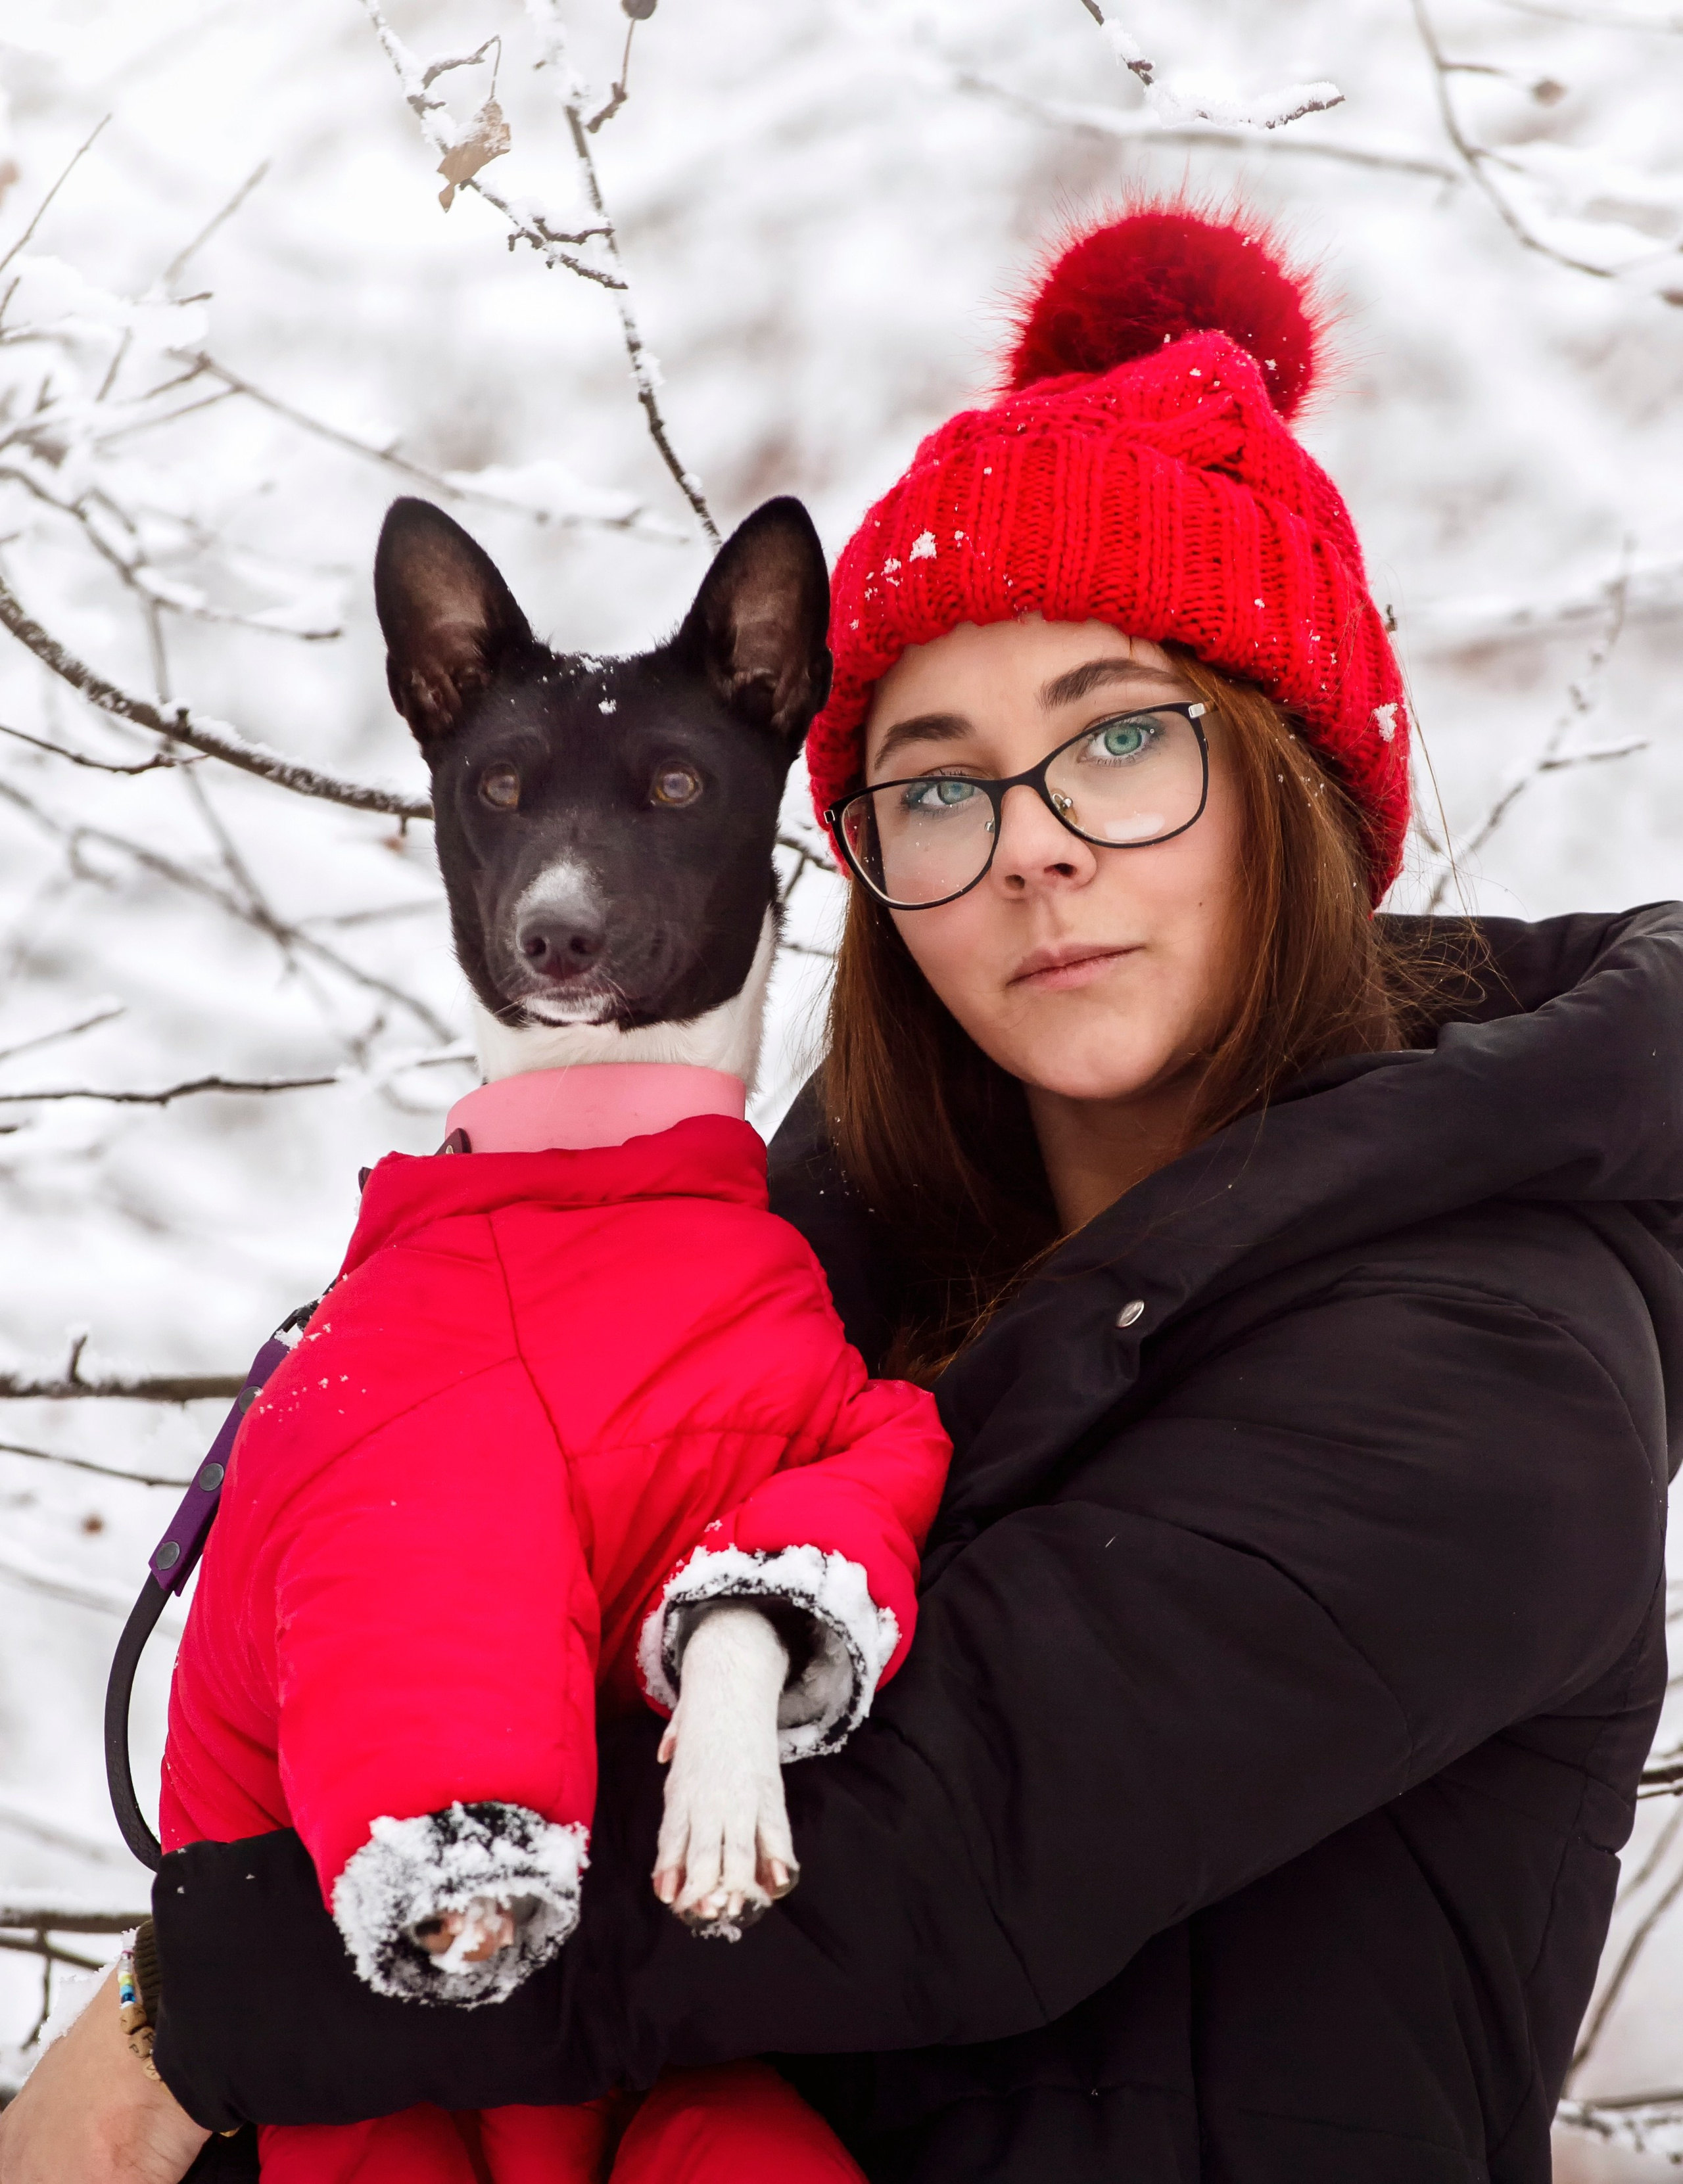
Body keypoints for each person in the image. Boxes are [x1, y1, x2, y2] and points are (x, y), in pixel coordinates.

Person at [4, 202, 1676, 2184]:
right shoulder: (801, 1286)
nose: (1034, 848)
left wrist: (189, 2012)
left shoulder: (1491, 1349)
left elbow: (936, 1844)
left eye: (1124, 740)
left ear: (1294, 777)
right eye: (940, 782)